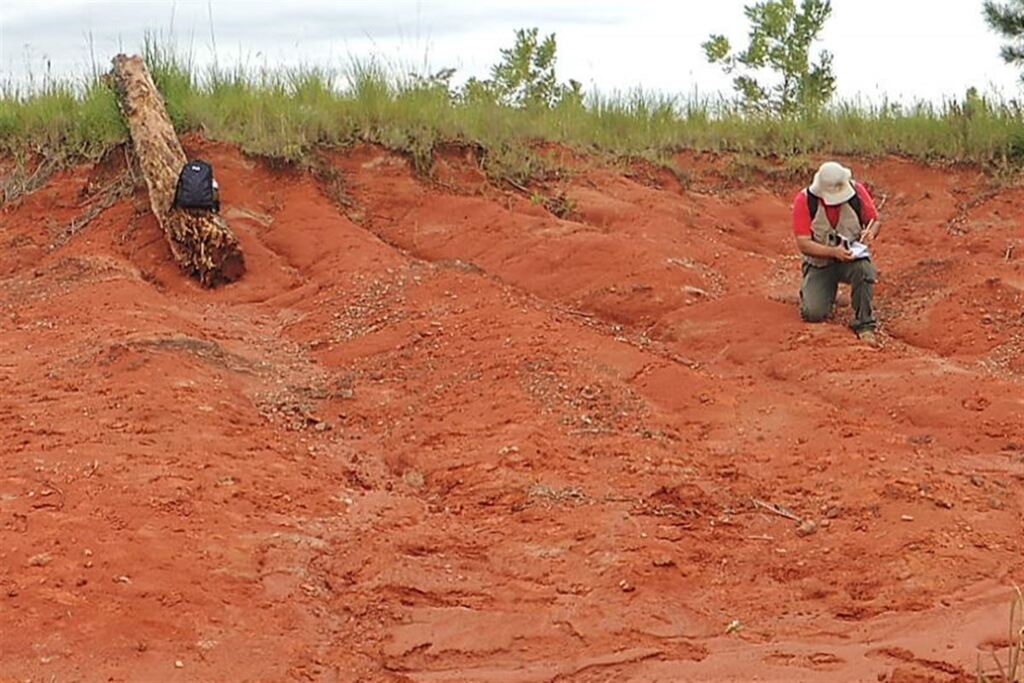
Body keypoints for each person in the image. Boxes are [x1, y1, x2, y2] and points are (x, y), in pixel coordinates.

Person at [792, 161, 881, 345]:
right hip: (820, 263)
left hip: (851, 258)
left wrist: (871, 232)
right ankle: (820, 292)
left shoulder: (857, 191)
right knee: (813, 314)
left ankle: (865, 324)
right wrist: (833, 252)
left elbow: (874, 220)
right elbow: (803, 243)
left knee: (864, 271)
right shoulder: (804, 201)